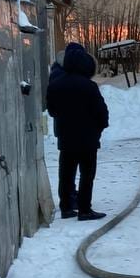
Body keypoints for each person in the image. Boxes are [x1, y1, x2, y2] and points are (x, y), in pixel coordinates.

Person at [46, 42, 110, 222]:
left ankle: (66, 207)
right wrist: (99, 128)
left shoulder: (55, 85)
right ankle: (84, 209)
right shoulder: (89, 86)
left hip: (66, 137)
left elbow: (52, 110)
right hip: (87, 138)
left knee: (66, 172)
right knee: (87, 174)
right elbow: (101, 112)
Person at [47, 59, 77, 214]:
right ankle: (67, 199)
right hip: (67, 128)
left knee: (67, 166)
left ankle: (69, 195)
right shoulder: (61, 78)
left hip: (63, 127)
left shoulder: (56, 75)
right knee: (67, 167)